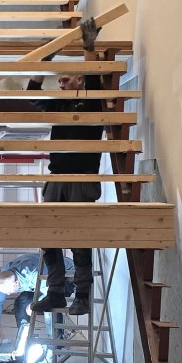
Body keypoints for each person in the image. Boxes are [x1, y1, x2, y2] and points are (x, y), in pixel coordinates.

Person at [28, 70, 111, 318]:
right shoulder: (59, 104)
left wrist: (88, 53)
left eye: (65, 80)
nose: (61, 85)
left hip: (82, 177)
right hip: (57, 178)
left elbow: (94, 79)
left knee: (79, 240)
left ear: (80, 80)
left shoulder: (92, 103)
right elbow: (32, 95)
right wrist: (43, 64)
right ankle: (55, 291)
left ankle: (82, 295)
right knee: (48, 238)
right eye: (59, 81)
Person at [0, 252, 73, 347]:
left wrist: (34, 305)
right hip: (43, 281)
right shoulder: (5, 275)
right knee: (21, 302)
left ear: (16, 283)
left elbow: (50, 295)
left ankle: (56, 344)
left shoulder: (32, 273)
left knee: (50, 306)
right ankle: (24, 339)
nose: (7, 294)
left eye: (8, 291)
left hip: (66, 273)